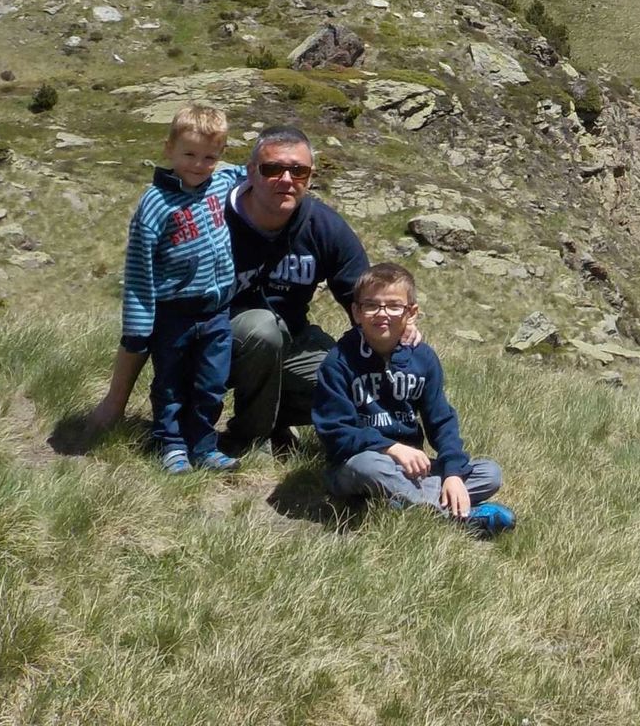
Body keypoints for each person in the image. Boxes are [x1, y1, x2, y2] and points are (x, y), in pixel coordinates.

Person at [92, 103, 242, 473]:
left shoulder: (221, 184)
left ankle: (204, 444)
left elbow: (248, 171)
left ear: (220, 156)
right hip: (174, 313)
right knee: (171, 383)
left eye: (209, 157)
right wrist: (138, 327)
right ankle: (170, 443)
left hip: (217, 311)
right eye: (189, 154)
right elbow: (140, 269)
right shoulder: (155, 204)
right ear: (168, 149)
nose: (197, 164)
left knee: (211, 383)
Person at [311, 262, 515, 535]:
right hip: (358, 464)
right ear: (357, 312)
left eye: (394, 306)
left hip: (413, 467)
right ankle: (455, 517)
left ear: (411, 313)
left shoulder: (424, 359)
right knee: (369, 466)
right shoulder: (338, 362)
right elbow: (335, 432)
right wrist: (391, 448)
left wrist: (453, 473)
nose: (382, 314)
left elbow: (441, 420)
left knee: (489, 473)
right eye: (371, 305)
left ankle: (406, 502)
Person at [220, 125, 372, 455]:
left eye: (298, 171)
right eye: (272, 169)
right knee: (261, 329)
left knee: (350, 384)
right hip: (215, 341)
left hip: (290, 341)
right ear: (251, 172)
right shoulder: (215, 217)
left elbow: (364, 299)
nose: (287, 180)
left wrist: (397, 347)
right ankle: (248, 440)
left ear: (310, 176)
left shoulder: (324, 226)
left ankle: (272, 420)